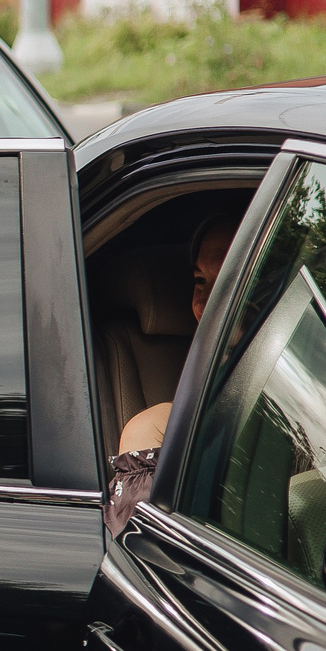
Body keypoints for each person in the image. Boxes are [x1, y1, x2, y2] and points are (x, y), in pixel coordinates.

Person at [106, 202, 247, 535]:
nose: (204, 304)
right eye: (200, 280)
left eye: (232, 278)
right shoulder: (156, 430)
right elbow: (139, 551)